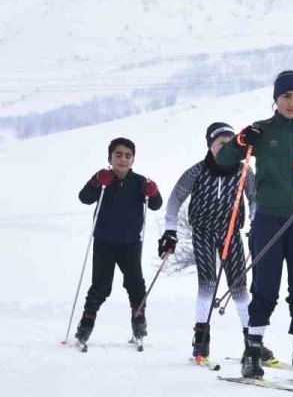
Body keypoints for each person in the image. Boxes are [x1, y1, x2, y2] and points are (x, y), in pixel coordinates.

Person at [216, 70, 293, 380]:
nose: (292, 102)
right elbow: (225, 160)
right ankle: (252, 351)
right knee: (264, 287)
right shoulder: (261, 131)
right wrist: (239, 141)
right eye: (286, 96)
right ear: (275, 98)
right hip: (268, 218)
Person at [157, 123, 258, 364]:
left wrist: (256, 225)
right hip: (202, 231)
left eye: (230, 143)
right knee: (207, 282)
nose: (226, 147)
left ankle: (251, 341)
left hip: (230, 231)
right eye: (220, 143)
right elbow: (174, 200)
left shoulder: (244, 171)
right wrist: (170, 230)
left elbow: (255, 199)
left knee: (239, 286)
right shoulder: (197, 171)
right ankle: (201, 339)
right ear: (210, 146)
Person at [74, 137, 163, 346]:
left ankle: (138, 322)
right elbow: (84, 198)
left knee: (136, 286)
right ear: (110, 158)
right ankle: (85, 326)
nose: (123, 159)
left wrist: (154, 191)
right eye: (118, 155)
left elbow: (156, 205)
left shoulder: (140, 182)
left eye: (128, 156)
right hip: (104, 242)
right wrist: (96, 180)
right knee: (100, 287)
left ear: (133, 160)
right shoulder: (103, 179)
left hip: (130, 243)